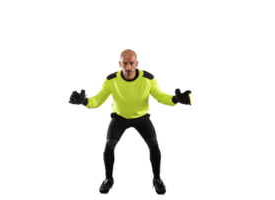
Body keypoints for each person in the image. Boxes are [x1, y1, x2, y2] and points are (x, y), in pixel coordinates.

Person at [66, 48, 194, 196]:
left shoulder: (149, 78)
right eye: (124, 63)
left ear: (137, 63)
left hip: (142, 117)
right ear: (118, 64)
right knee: (108, 145)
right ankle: (108, 179)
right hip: (118, 117)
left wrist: (176, 99)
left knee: (154, 144)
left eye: (131, 63)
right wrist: (83, 101)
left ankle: (158, 180)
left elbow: (161, 97)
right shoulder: (110, 79)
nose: (128, 67)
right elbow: (98, 100)